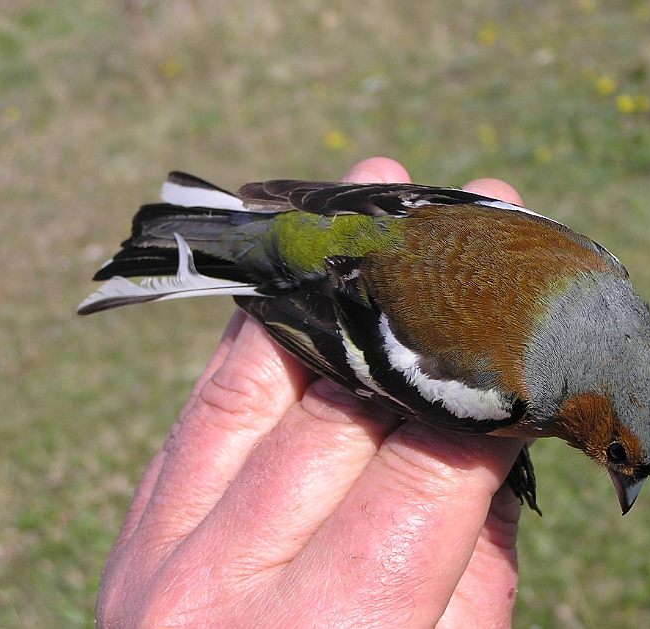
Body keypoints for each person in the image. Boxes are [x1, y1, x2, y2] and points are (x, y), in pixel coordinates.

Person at [95, 157, 528, 628]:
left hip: (374, 216)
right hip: (333, 291)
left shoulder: (594, 260)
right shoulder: (506, 390)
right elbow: (356, 357)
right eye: (613, 452)